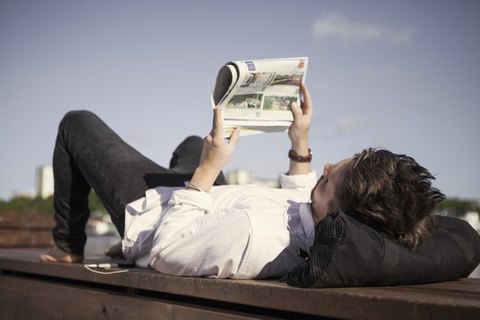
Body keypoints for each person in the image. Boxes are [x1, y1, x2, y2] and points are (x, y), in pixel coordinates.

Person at [40, 83, 444, 279]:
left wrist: (208, 168)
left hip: (155, 213)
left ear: (332, 214)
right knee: (189, 142)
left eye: (329, 178)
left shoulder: (249, 234)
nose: (325, 168)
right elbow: (307, 195)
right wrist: (299, 141)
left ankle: (68, 247)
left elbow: (167, 251)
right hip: (204, 201)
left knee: (76, 124)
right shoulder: (327, 224)